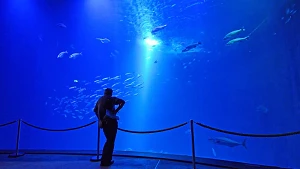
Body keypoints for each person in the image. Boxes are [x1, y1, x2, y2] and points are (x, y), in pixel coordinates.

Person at [93, 88, 125, 166]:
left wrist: (100, 119)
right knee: (110, 142)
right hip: (111, 122)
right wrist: (116, 111)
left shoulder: (100, 100)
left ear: (104, 93)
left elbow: (95, 110)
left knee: (108, 141)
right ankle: (106, 161)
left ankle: (105, 160)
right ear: (111, 93)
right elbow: (122, 102)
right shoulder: (111, 99)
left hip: (103, 123)